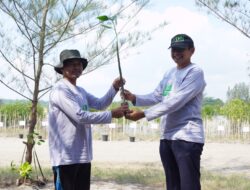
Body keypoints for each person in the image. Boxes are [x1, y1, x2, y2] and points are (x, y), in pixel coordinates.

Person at [123, 34, 206, 190]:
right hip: (167, 137)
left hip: (187, 137)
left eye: (181, 49)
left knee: (188, 186)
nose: (176, 53)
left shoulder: (195, 72)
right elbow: (157, 96)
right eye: (174, 49)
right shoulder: (170, 74)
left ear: (192, 51)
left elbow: (176, 101)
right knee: (172, 186)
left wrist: (143, 114)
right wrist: (134, 98)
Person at [48, 49, 128, 190]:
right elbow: (81, 116)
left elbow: (100, 104)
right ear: (62, 68)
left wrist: (114, 88)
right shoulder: (60, 91)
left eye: (78, 64)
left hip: (83, 156)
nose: (76, 67)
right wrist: (111, 115)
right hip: (65, 158)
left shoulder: (80, 91)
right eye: (71, 64)